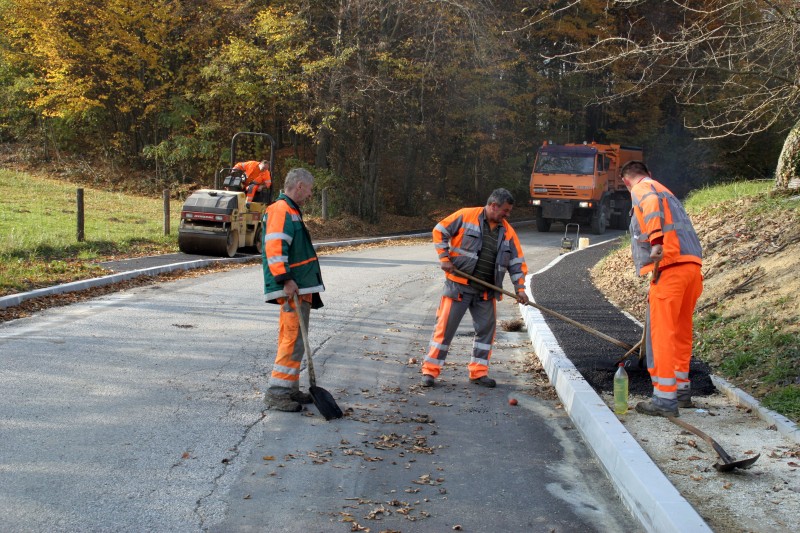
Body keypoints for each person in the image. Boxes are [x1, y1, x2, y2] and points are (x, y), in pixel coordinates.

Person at [421, 188, 529, 388]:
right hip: (458, 287)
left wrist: (520, 289)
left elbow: (516, 262)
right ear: (493, 205)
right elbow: (439, 230)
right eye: (505, 210)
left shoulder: (507, 231)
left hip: (486, 292)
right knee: (444, 330)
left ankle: (478, 372)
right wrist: (444, 258)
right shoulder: (465, 215)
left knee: (486, 331)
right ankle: (430, 371)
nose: (507, 214)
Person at [620, 160, 703, 418]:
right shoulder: (668, 192)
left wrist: (656, 242)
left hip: (670, 269)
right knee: (680, 332)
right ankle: (680, 391)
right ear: (650, 173)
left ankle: (664, 399)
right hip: (692, 269)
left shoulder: (642, 189)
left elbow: (651, 209)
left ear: (626, 181)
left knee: (662, 335)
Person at [261, 168, 324, 412]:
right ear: (299, 186)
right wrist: (285, 279)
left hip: (300, 287)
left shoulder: (291, 210)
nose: (309, 194)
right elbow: (275, 247)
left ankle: (290, 389)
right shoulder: (281, 210)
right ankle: (277, 394)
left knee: (296, 340)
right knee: (292, 339)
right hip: (292, 288)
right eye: (309, 189)